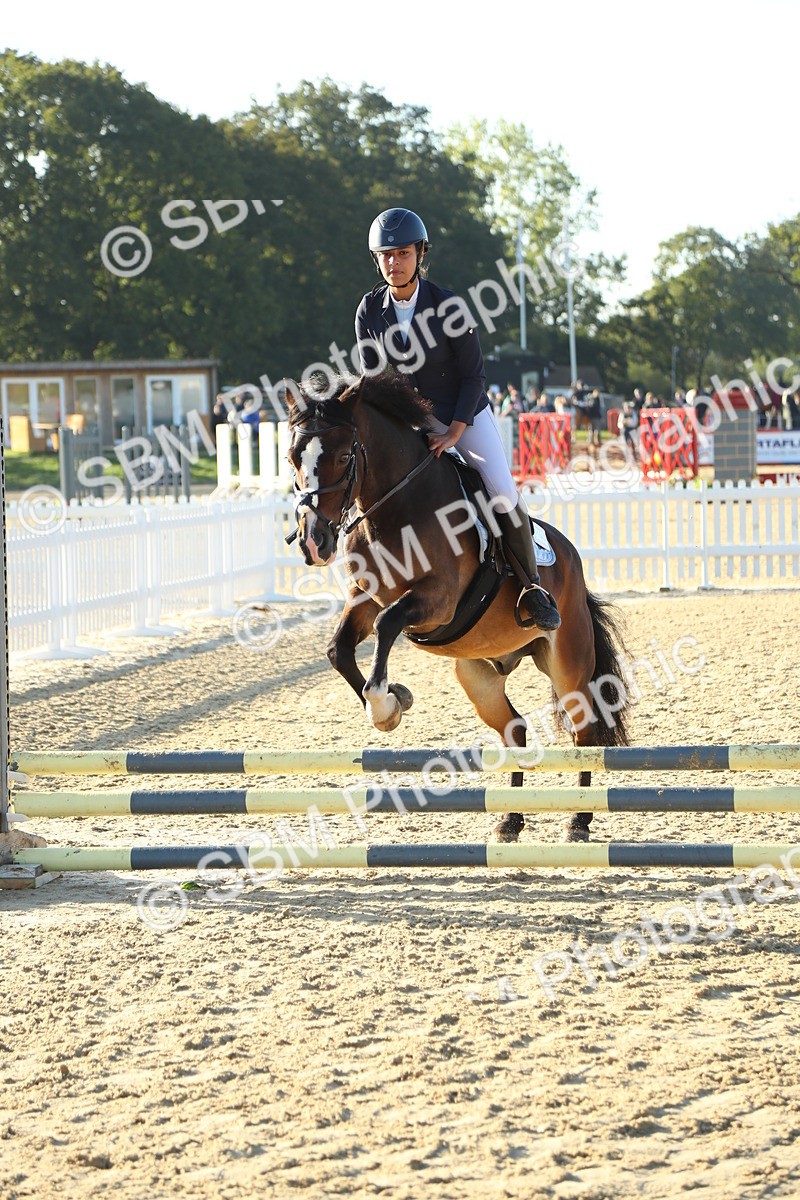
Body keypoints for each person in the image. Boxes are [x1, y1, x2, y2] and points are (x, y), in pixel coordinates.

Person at [355, 206, 560, 631]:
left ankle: (532, 587)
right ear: (377, 259)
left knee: (500, 488)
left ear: (420, 254)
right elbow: (374, 379)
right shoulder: (369, 311)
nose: (394, 263)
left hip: (462, 416)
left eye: (403, 253)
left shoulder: (449, 306)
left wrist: (454, 432)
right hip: (409, 422)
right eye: (386, 255)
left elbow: (473, 377)